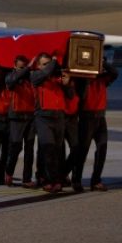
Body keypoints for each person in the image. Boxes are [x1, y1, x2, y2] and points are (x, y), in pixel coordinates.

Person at [30, 53, 72, 193]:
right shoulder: (35, 76)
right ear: (38, 65)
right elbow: (46, 72)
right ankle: (49, 180)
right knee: (48, 147)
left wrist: (67, 85)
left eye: (48, 63)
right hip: (43, 117)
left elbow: (70, 96)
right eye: (44, 64)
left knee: (57, 151)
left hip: (59, 117)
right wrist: (54, 61)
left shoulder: (57, 78)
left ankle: (55, 178)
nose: (47, 66)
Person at [75, 58, 118, 192]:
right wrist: (88, 75)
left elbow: (115, 72)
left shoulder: (102, 79)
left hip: (100, 117)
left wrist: (102, 61)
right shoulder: (81, 80)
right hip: (86, 118)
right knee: (83, 151)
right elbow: (80, 95)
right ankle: (76, 181)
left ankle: (96, 180)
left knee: (102, 149)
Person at [4, 55, 37, 188]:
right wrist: (27, 68)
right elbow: (12, 81)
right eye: (20, 67)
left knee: (29, 150)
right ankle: (9, 173)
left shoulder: (30, 79)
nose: (23, 70)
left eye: (25, 67)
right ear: (14, 66)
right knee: (16, 148)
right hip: (16, 118)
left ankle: (26, 179)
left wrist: (30, 70)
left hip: (30, 117)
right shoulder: (11, 78)